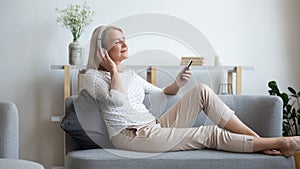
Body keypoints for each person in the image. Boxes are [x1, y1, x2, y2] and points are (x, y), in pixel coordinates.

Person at [82, 25, 300, 157]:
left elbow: (160, 93)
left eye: (124, 39)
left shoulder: (129, 73)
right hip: (130, 136)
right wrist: (112, 69)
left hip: (153, 126)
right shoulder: (92, 77)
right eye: (117, 42)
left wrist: (177, 83)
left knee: (201, 90)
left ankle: (257, 140)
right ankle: (282, 143)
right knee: (208, 132)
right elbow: (118, 100)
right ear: (102, 51)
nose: (124, 44)